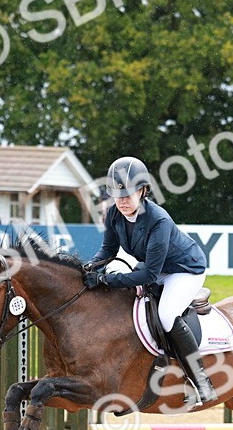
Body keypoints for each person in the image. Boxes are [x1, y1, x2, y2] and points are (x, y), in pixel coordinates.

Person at [83, 156, 216, 405]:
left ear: (143, 191)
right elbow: (108, 251)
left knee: (166, 314)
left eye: (128, 195)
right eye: (116, 195)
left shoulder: (159, 220)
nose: (122, 201)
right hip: (154, 266)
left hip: (184, 269)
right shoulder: (113, 214)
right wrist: (89, 267)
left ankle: (202, 382)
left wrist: (105, 280)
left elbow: (149, 275)